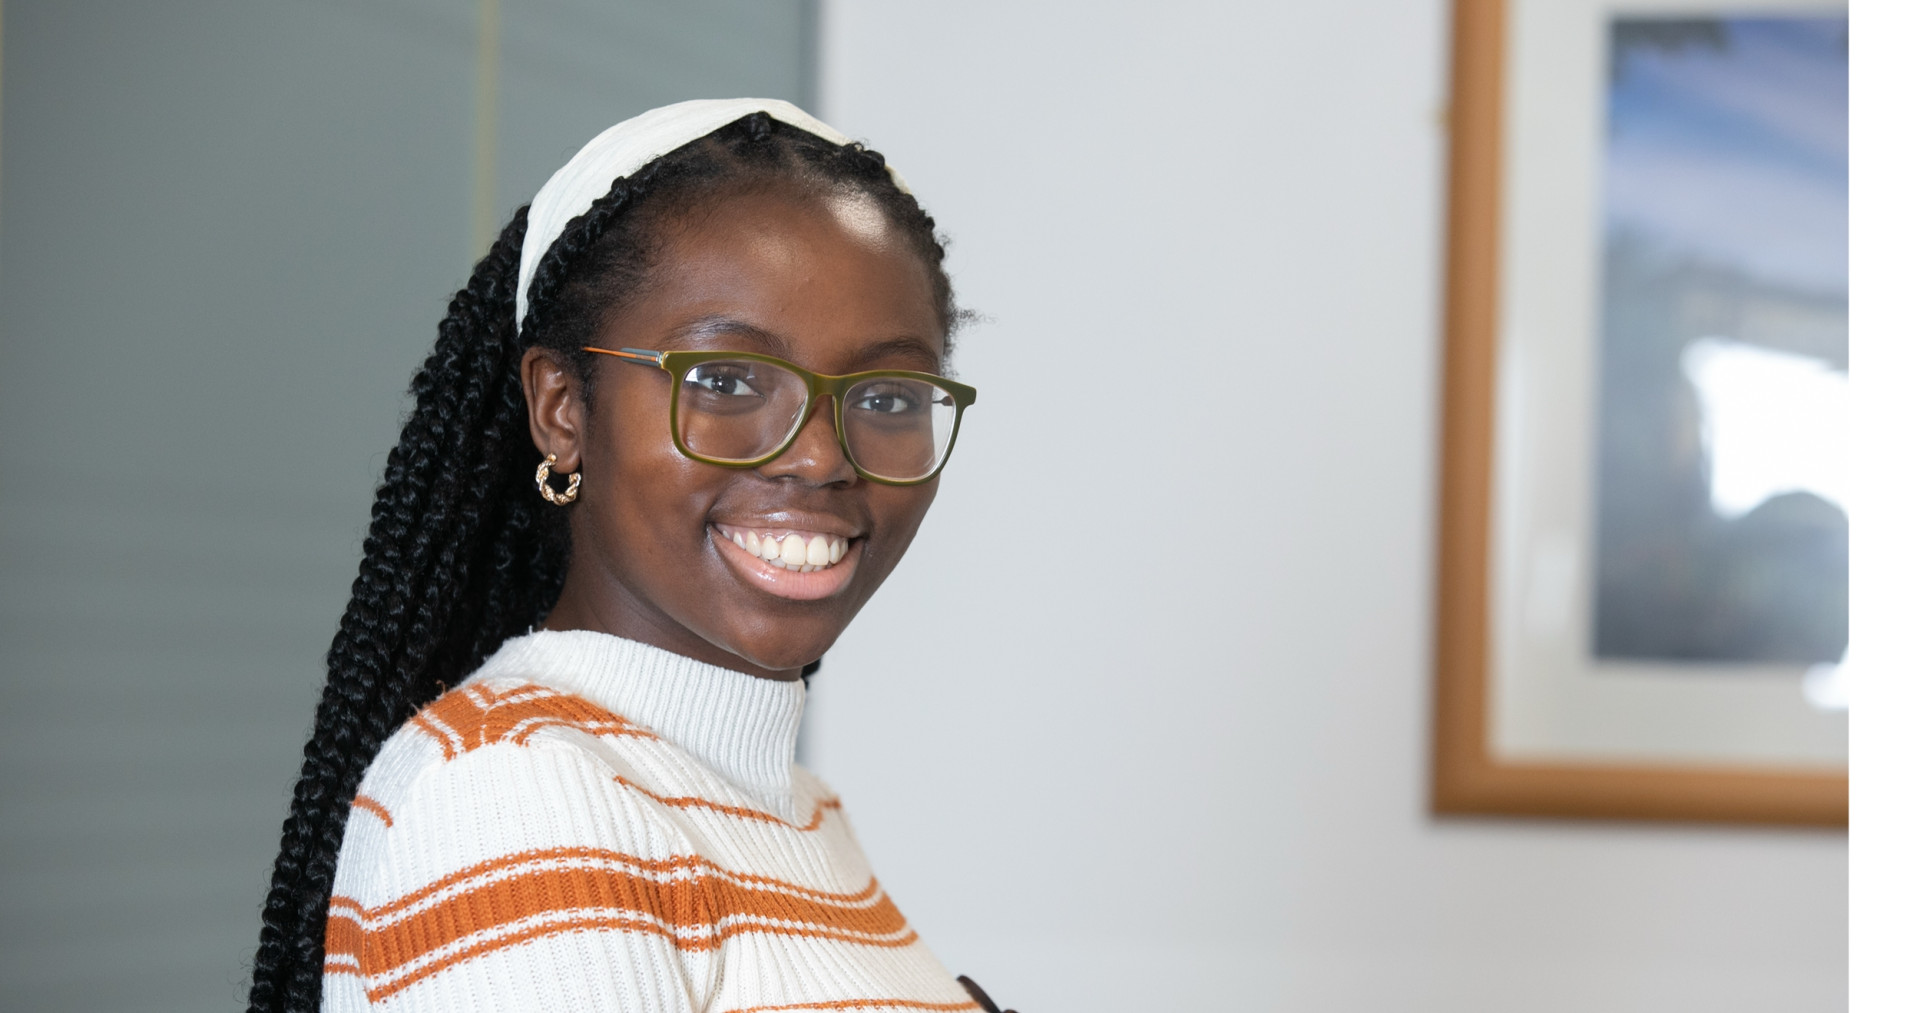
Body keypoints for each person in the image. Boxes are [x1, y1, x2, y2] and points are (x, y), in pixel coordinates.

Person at [246, 99, 1010, 1013]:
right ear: (564, 409)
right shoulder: (514, 797)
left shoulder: (802, 809)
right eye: (725, 380)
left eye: (887, 395)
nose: (819, 455)